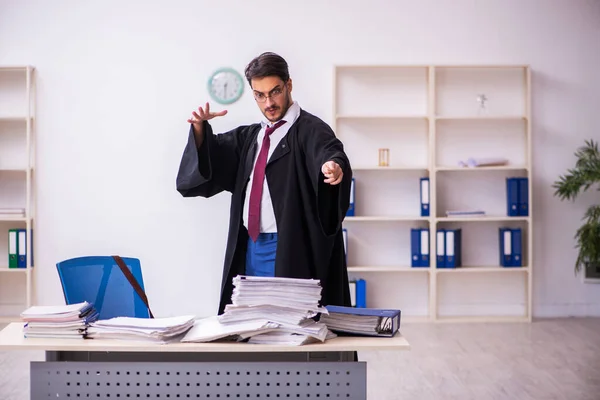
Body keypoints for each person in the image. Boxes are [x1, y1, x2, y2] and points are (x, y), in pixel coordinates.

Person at [176, 52, 353, 315]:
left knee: (285, 326)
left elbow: (329, 151)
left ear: (288, 85)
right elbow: (212, 160)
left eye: (275, 91)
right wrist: (201, 132)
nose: (268, 102)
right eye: (260, 95)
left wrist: (334, 166)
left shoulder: (310, 130)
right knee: (250, 324)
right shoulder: (251, 137)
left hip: (288, 248)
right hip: (249, 246)